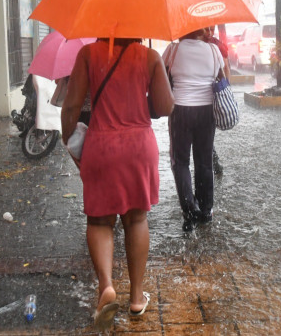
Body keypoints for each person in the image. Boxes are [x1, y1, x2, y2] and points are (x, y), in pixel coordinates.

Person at [61, 38, 173, 331]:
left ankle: (107, 287)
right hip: (139, 147)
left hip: (102, 145)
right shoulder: (149, 56)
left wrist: (68, 138)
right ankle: (136, 298)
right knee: (136, 219)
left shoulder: (88, 54)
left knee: (100, 221)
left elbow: (72, 105)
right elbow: (164, 106)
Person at [163, 29, 225, 232]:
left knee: (180, 162)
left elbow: (162, 78)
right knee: (204, 161)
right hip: (207, 111)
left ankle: (190, 211)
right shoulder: (214, 50)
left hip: (180, 110)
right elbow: (224, 78)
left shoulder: (172, 50)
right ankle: (206, 210)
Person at [203, 26, 231, 176]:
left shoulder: (217, 46)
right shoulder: (201, 43)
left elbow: (225, 68)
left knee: (207, 133)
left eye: (211, 28)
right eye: (207, 28)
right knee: (205, 133)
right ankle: (213, 160)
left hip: (213, 95)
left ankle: (212, 159)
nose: (209, 32)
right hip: (206, 96)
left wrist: (227, 90)